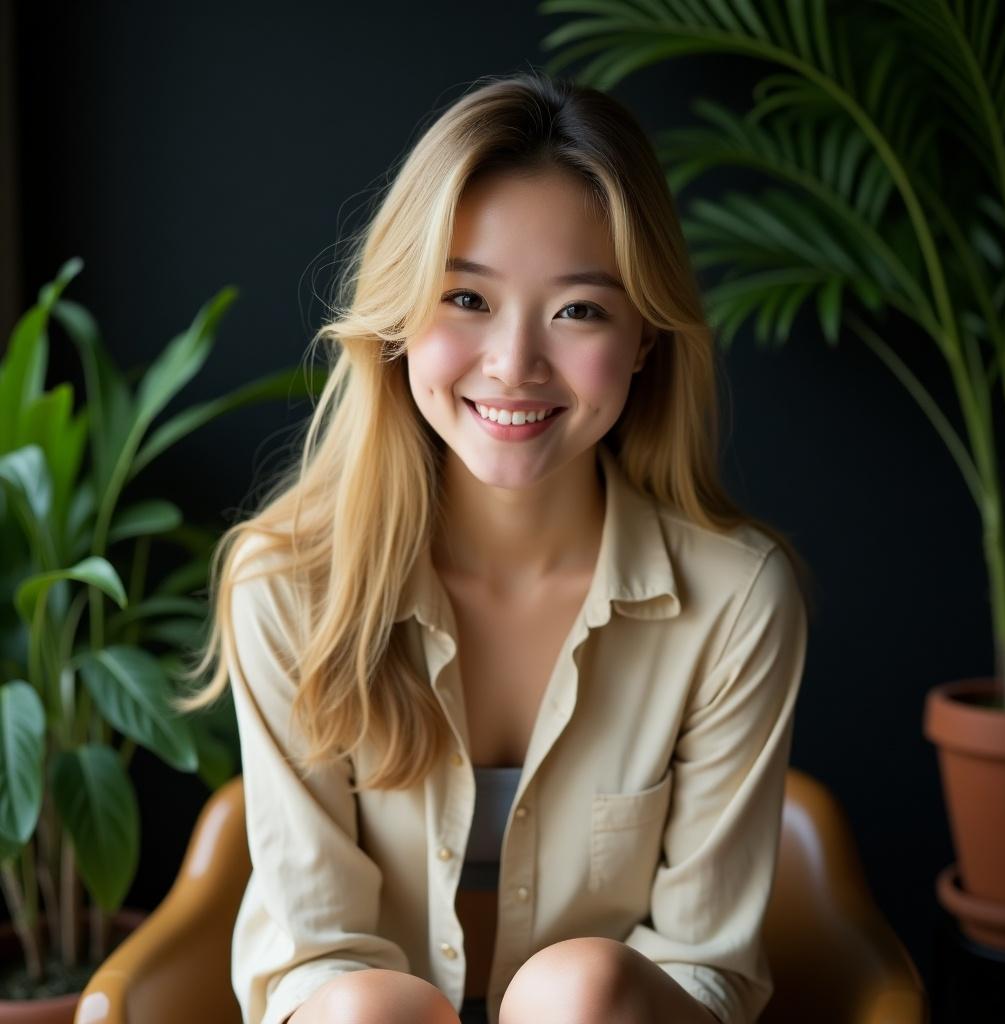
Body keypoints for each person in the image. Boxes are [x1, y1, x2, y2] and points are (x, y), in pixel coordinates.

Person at [178, 69, 815, 1024]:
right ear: (397, 320)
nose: (514, 363)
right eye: (466, 299)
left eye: (579, 310)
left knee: (583, 992)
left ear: (644, 338)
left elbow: (703, 969)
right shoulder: (288, 586)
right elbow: (315, 958)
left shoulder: (736, 600)